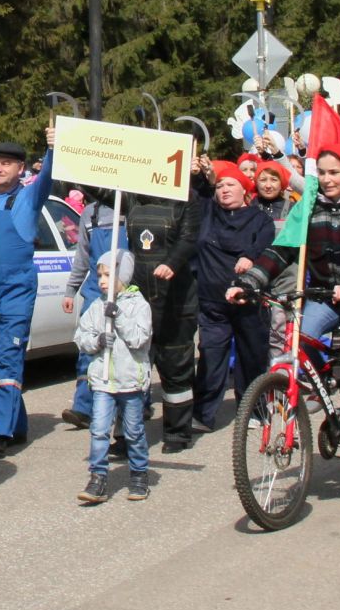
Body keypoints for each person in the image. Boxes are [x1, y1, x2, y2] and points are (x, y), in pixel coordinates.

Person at [228, 149, 340, 483]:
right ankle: (323, 383)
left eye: (336, 173)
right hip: (324, 297)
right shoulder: (310, 205)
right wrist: (249, 282)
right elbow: (281, 250)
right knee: (295, 341)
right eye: (324, 173)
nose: (329, 180)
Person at [0, 128, 55, 455]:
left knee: (9, 354)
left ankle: (0, 431)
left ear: (21, 169)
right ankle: (16, 426)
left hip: (16, 288)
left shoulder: (30, 196)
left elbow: (48, 176)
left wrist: (52, 149)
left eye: (6, 163)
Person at [191, 161, 276, 434]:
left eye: (231, 185)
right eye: (220, 186)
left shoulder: (259, 218)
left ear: (244, 189)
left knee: (251, 356)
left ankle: (254, 408)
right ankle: (203, 414)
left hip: (247, 300)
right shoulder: (208, 213)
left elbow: (266, 242)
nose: (224, 190)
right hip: (212, 302)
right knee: (210, 356)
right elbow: (200, 191)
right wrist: (199, 176)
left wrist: (250, 257)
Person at [127, 174, 202, 452]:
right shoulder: (131, 196)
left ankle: (177, 434)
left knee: (176, 368)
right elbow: (94, 183)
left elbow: (189, 238)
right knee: (129, 370)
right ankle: (126, 436)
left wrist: (172, 263)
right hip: (137, 297)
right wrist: (60, 149)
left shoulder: (186, 198)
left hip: (175, 299)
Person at [74, 250, 153, 503]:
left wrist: (118, 317)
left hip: (130, 380)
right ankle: (97, 477)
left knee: (133, 431)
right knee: (98, 430)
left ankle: (139, 475)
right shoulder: (97, 306)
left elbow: (139, 339)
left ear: (124, 276)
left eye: (108, 275)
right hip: (103, 381)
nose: (102, 281)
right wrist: (96, 341)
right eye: (99, 275)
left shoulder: (140, 305)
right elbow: (81, 336)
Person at [59, 194, 127, 428]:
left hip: (127, 288)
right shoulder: (90, 212)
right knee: (88, 347)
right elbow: (83, 254)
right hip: (95, 289)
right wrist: (71, 289)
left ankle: (136, 403)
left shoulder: (133, 207)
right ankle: (84, 408)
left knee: (128, 348)